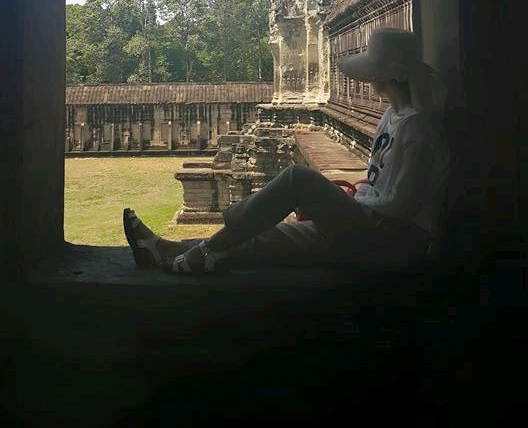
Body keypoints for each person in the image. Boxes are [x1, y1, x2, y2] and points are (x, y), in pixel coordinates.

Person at [123, 28, 450, 275]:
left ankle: (204, 252)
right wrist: (357, 196)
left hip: (396, 242)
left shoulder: (416, 127)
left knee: (298, 179)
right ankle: (166, 249)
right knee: (274, 236)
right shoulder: (392, 116)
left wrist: (356, 200)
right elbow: (381, 183)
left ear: (384, 76)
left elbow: (402, 204)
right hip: (370, 228)